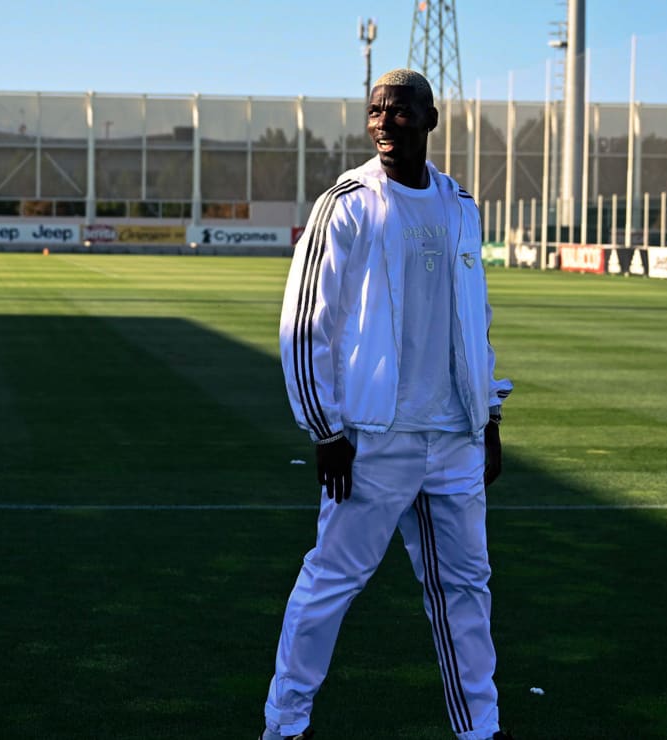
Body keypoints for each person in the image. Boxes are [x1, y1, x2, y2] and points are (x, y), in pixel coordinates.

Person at [261, 68, 514, 740]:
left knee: (466, 590)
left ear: (430, 119)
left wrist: (489, 415)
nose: (382, 123)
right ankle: (284, 727)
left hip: (455, 437)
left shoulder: (460, 206)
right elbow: (307, 320)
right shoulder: (345, 203)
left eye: (399, 111)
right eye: (374, 111)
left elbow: (474, 318)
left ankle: (481, 729)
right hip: (374, 441)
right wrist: (326, 429)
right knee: (330, 584)